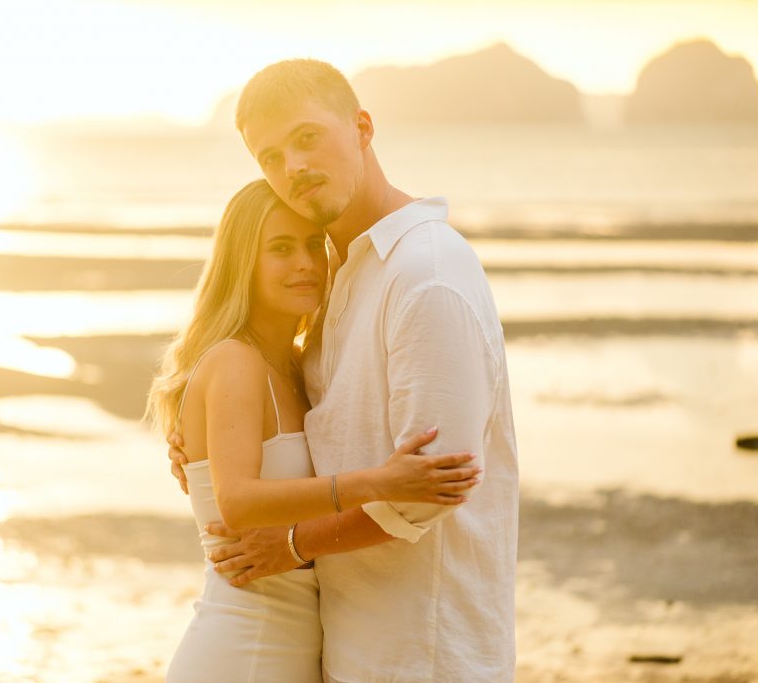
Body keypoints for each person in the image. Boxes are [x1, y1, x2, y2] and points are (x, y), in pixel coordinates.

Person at [168, 59, 520, 682]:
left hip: (424, 651)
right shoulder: (343, 280)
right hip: (347, 645)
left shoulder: (425, 274)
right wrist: (201, 453)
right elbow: (311, 446)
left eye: (306, 138)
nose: (291, 168)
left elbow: (432, 490)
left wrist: (295, 543)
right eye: (269, 157)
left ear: (362, 127)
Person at [147, 179, 481, 683]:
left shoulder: (302, 367)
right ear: (243, 263)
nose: (305, 263)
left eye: (312, 245)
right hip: (244, 647)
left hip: (295, 646)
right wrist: (379, 482)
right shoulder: (235, 361)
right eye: (280, 249)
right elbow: (236, 501)